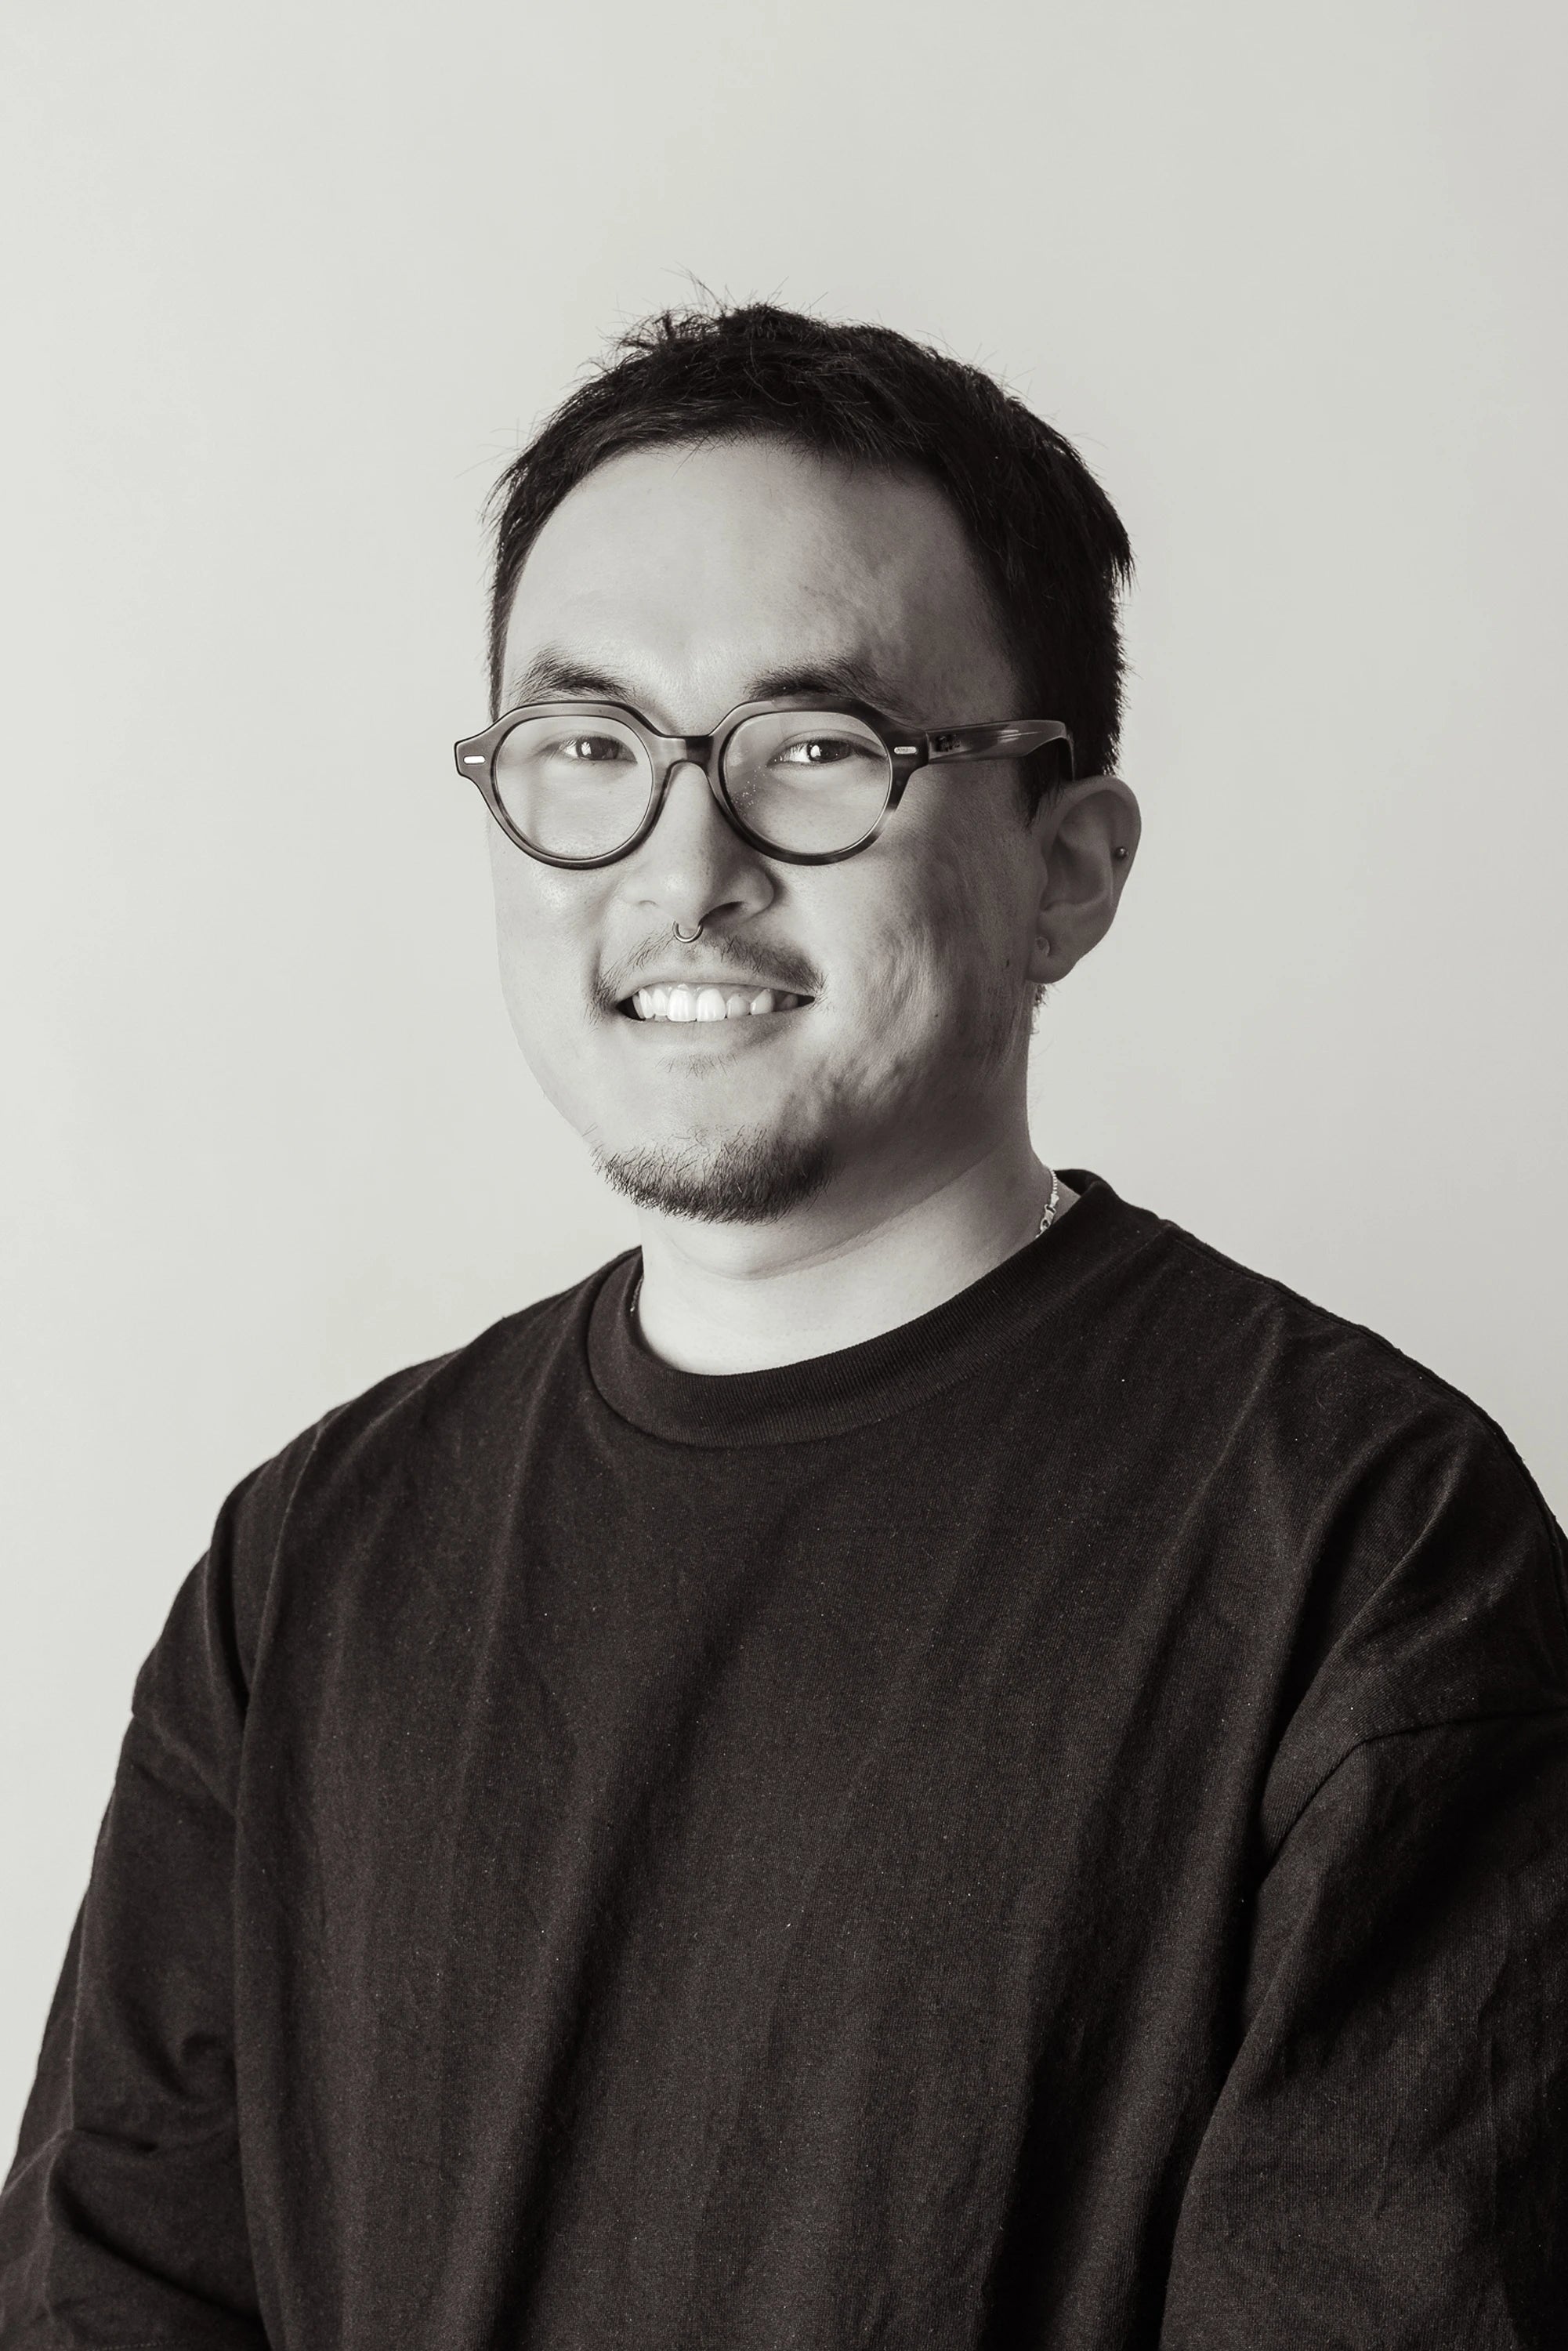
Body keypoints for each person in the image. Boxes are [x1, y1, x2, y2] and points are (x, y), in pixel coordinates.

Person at [2, 301, 1564, 2350]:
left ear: (1067, 871)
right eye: (586, 749)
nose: (683, 865)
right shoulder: (311, 1560)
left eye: (814, 751)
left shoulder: (1367, 1555)